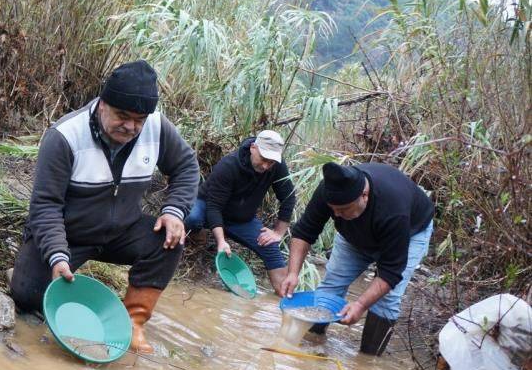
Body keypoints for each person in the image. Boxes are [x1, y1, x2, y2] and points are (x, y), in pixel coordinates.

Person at [10, 60, 200, 354]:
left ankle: (132, 323)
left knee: (169, 240)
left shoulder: (156, 128)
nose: (131, 126)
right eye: (122, 116)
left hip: (122, 230)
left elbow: (187, 166)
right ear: (102, 104)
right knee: (28, 295)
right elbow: (46, 207)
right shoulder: (64, 136)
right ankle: (39, 271)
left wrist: (174, 211)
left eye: (139, 119)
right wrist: (58, 257)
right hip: (69, 234)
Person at [280, 162, 435, 355]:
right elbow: (304, 232)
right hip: (353, 236)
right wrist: (293, 273)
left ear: (364, 195)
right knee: (332, 284)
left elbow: (391, 271)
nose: (336, 215)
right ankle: (311, 345)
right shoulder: (329, 190)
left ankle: (368, 360)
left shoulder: (393, 208)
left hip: (410, 234)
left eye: (343, 209)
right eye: (333, 209)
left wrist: (360, 305)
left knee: (388, 299)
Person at [183, 130, 296, 294]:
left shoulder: (276, 166)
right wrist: (221, 241)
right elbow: (214, 207)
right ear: (253, 148)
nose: (266, 166)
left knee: (270, 247)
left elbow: (288, 198)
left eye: (270, 162)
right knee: (192, 218)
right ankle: (197, 238)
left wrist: (278, 232)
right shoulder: (229, 165)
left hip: (241, 220)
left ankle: (286, 296)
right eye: (263, 159)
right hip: (208, 208)